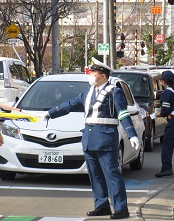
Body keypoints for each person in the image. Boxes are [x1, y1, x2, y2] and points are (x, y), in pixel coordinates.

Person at [42, 57, 140, 219]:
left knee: (112, 174)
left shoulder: (115, 92)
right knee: (95, 175)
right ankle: (101, 205)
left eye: (93, 72)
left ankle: (121, 208)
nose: (90, 74)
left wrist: (131, 135)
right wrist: (50, 113)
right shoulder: (87, 92)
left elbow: (122, 113)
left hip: (106, 139)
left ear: (102, 75)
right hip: (89, 138)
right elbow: (70, 104)